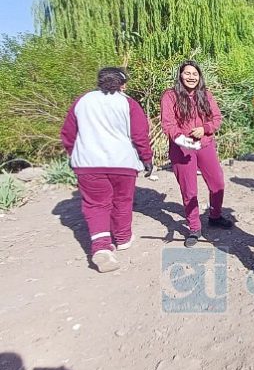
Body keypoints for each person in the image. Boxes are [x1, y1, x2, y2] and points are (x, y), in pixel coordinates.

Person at [61, 67, 153, 273]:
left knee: (96, 204)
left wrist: (74, 155)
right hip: (122, 162)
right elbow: (140, 135)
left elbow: (68, 134)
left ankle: (101, 246)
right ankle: (123, 238)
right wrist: (147, 158)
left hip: (88, 163)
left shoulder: (82, 101)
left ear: (99, 82)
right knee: (122, 200)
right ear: (123, 84)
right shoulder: (128, 103)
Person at [160, 60, 234, 248]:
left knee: (217, 182)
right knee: (189, 189)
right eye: (187, 73)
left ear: (199, 76)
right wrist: (181, 138)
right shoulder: (169, 96)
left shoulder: (206, 95)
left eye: (195, 74)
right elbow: (168, 123)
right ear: (180, 75)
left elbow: (216, 118)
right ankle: (194, 227)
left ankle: (215, 216)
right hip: (181, 147)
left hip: (205, 144)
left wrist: (205, 128)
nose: (191, 77)